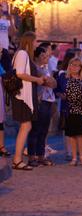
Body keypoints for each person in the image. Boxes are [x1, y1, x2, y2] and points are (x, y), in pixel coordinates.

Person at [10, 32, 45, 171]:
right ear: (30, 41)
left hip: (25, 96)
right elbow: (19, 73)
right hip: (22, 96)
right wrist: (37, 80)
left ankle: (17, 158)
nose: (37, 44)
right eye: (36, 41)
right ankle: (17, 159)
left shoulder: (23, 54)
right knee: (26, 127)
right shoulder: (22, 54)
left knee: (26, 127)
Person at [57, 57, 82, 167]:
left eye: (77, 65)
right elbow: (57, 89)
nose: (75, 67)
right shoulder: (63, 78)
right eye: (73, 65)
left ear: (81, 67)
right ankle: (74, 157)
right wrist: (60, 95)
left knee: (81, 134)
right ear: (69, 66)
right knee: (72, 135)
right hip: (69, 110)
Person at [26, 47, 57, 167]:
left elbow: (54, 83)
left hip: (49, 99)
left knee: (44, 130)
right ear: (37, 57)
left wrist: (48, 80)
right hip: (39, 100)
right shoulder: (35, 68)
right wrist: (47, 80)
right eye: (43, 57)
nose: (46, 59)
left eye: (47, 57)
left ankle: (41, 155)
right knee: (35, 129)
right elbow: (46, 82)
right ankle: (31, 156)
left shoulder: (48, 68)